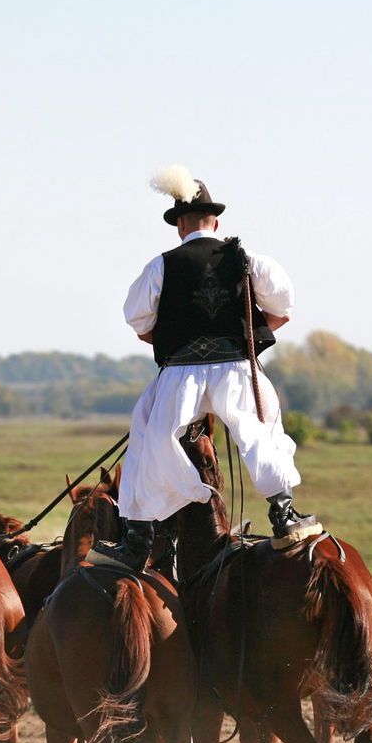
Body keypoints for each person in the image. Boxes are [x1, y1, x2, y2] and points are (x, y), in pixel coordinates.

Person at [90, 165, 320, 573]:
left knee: (146, 433)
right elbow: (283, 309)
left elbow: (141, 325)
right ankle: (284, 515)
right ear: (216, 221)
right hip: (236, 367)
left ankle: (138, 540)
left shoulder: (161, 265)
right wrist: (245, 336)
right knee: (261, 431)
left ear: (180, 226)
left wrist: (177, 340)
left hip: (180, 373)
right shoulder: (247, 259)